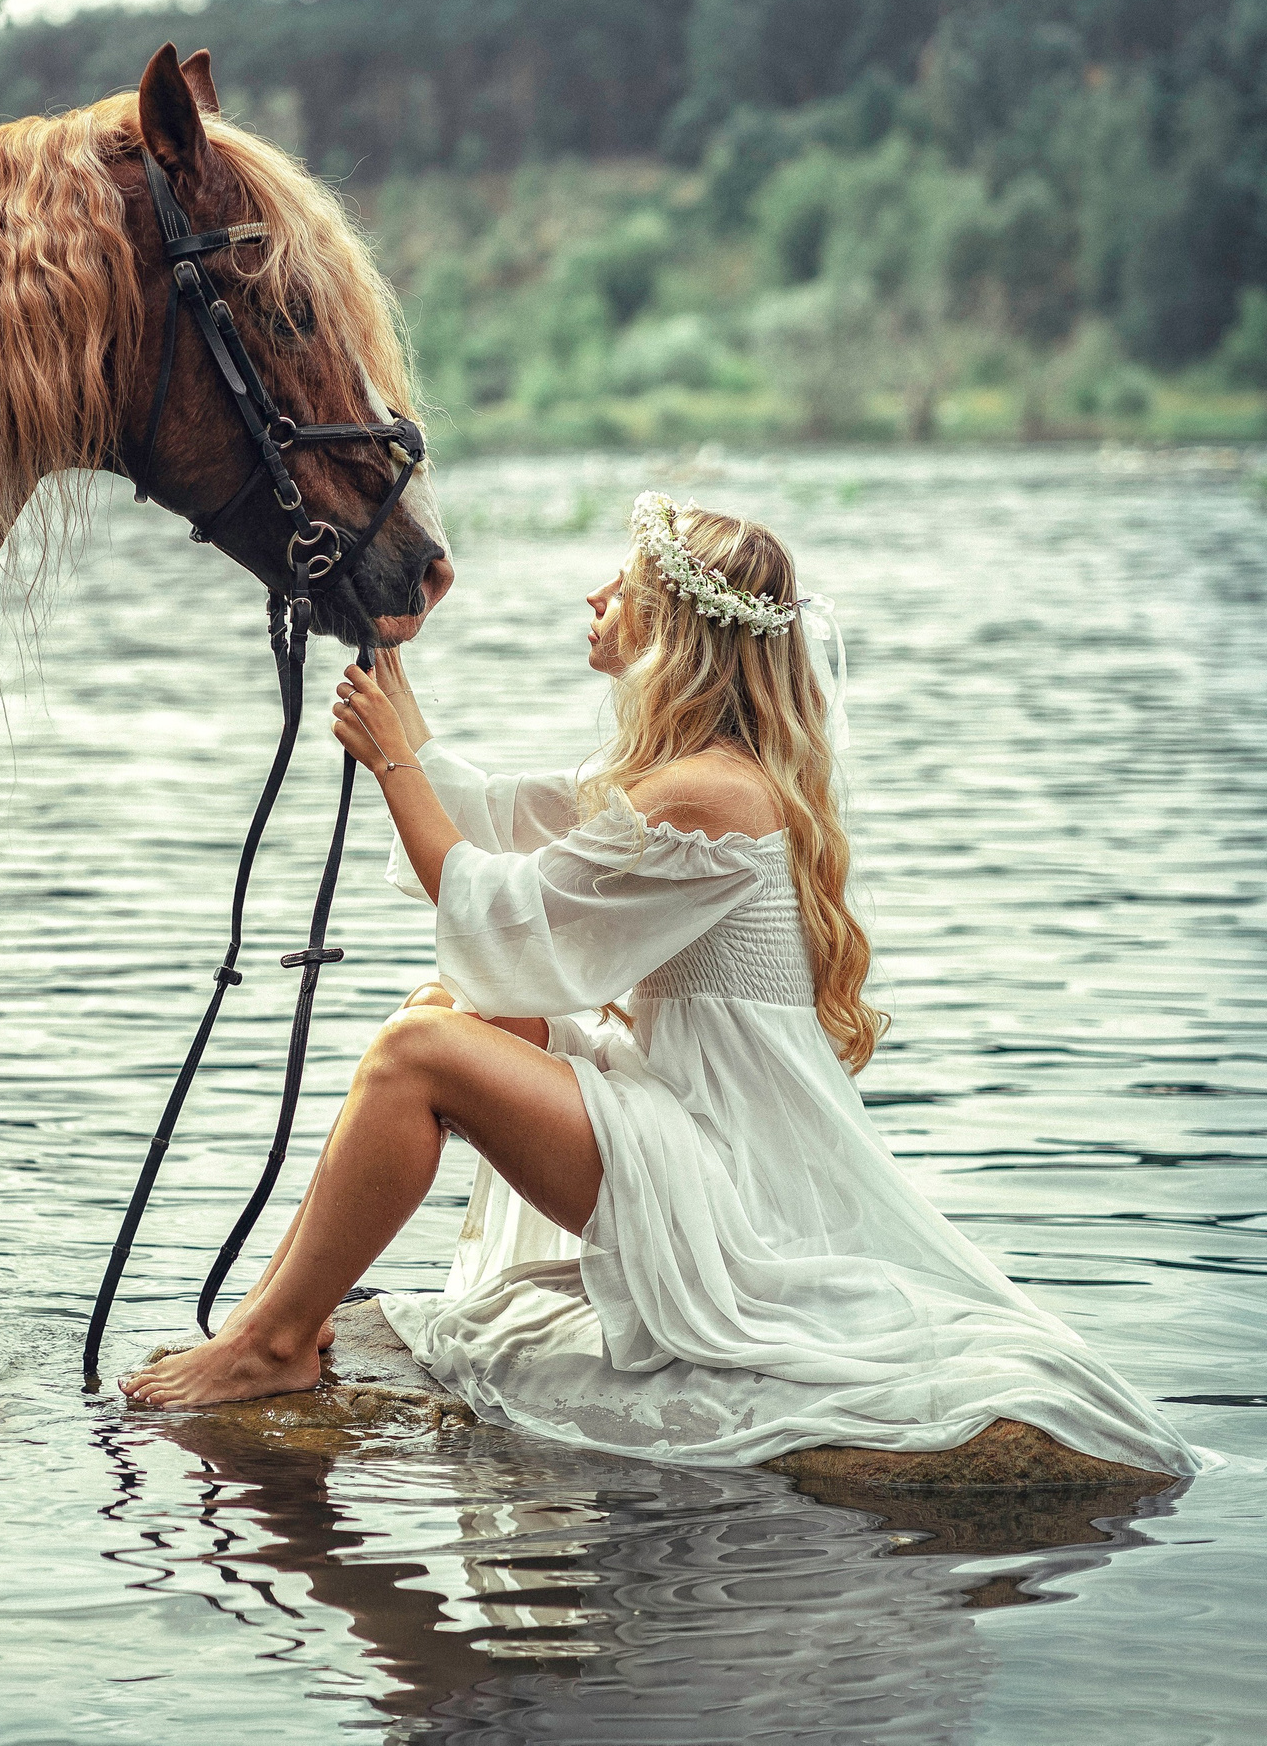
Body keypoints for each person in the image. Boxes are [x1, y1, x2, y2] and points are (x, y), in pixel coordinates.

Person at [121, 493, 1199, 1478]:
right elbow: (497, 820)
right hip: (682, 1114)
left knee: (420, 1053)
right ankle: (288, 1314)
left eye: (623, 586)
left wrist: (395, 763)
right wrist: (381, 641)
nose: (595, 596)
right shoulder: (687, 776)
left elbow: (506, 915)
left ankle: (269, 1344)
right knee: (445, 1010)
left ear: (675, 627)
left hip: (723, 1176)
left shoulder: (707, 795)